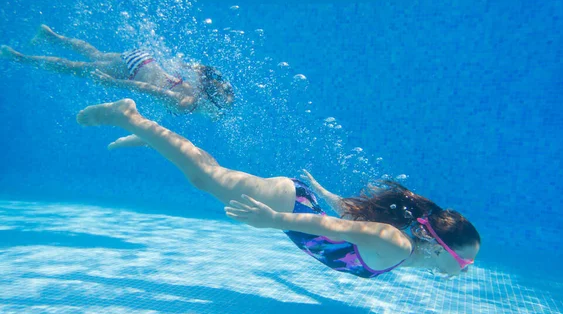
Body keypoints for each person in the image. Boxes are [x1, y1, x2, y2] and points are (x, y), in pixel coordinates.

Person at [76, 98, 481, 278]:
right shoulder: (399, 246)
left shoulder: (409, 256)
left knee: (210, 173)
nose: (467, 270)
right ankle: (131, 116)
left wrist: (325, 194)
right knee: (206, 178)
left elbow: (348, 220)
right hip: (290, 206)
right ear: (438, 246)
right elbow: (334, 228)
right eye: (464, 263)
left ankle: (156, 138)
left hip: (297, 205)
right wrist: (272, 221)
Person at [0, 24, 234, 118]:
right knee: (76, 69)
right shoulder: (186, 103)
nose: (219, 115)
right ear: (209, 103)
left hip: (143, 58)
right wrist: (113, 84)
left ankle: (50, 35)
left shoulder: (196, 88)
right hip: (134, 72)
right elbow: (147, 88)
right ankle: (19, 57)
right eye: (220, 110)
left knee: (96, 55)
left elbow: (197, 70)